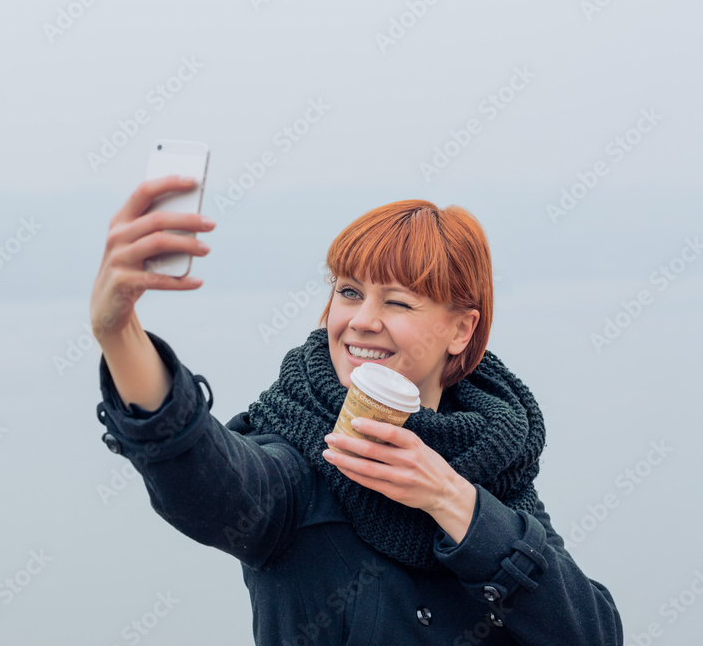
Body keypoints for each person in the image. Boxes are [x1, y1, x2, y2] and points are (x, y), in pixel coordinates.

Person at [89, 175, 623, 645]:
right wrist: (119, 333)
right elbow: (203, 479)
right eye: (348, 291)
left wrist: (451, 500)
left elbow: (593, 633)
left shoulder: (493, 464)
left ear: (461, 329)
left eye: (397, 301)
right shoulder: (298, 465)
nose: (362, 320)